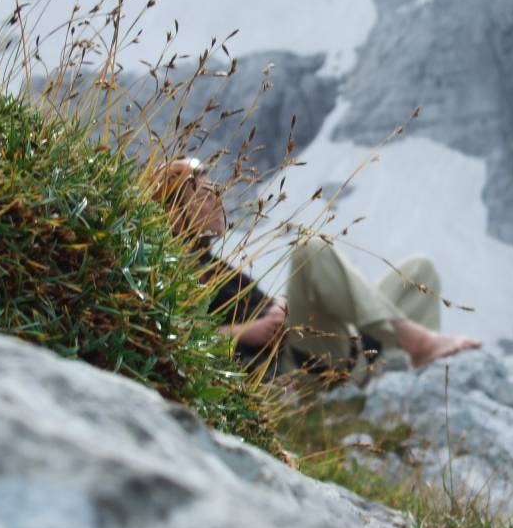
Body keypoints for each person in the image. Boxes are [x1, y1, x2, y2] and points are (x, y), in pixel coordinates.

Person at [151, 158, 481, 383]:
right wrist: (243, 332)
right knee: (311, 249)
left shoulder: (212, 263)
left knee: (420, 270)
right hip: (293, 363)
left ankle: (400, 372)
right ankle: (414, 342)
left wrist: (279, 308)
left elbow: (267, 306)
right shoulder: (169, 270)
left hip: (316, 339)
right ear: (174, 213)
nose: (216, 197)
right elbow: (171, 334)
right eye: (202, 193)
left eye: (213, 190)